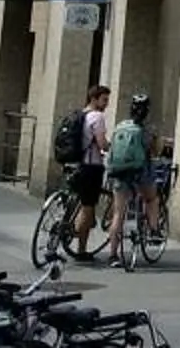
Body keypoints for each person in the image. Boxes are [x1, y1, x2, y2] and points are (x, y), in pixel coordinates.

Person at [102, 94, 153, 267]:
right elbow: (153, 150)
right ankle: (153, 230)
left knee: (118, 213)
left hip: (119, 172)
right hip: (139, 172)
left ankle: (113, 255)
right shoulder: (145, 131)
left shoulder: (120, 127)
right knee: (151, 198)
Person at [67, 85, 111, 261]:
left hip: (76, 164)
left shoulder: (81, 115)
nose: (106, 104)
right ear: (94, 99)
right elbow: (101, 144)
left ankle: (69, 228)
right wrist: (111, 147)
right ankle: (81, 249)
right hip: (91, 166)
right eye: (104, 100)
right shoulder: (97, 117)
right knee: (88, 207)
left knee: (83, 203)